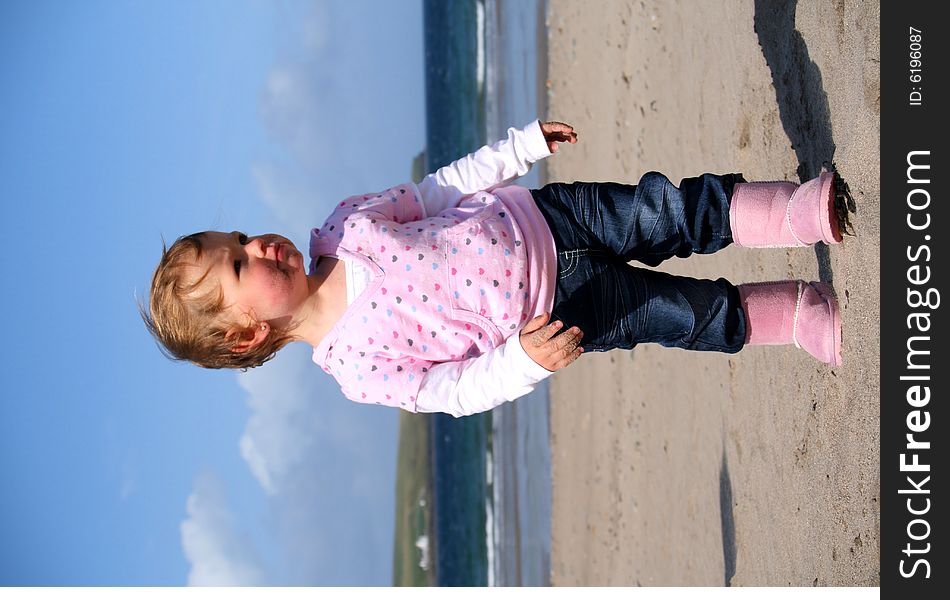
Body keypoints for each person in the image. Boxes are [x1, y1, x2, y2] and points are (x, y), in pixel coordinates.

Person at [142, 119, 846, 417]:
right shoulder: (355, 367)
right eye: (238, 262)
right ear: (245, 335)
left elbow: (437, 193)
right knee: (688, 317)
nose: (257, 243)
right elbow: (455, 390)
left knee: (672, 209)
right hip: (562, 314)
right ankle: (804, 314)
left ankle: (796, 213)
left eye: (240, 236)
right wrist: (526, 363)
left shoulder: (342, 227)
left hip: (551, 217)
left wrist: (516, 148)